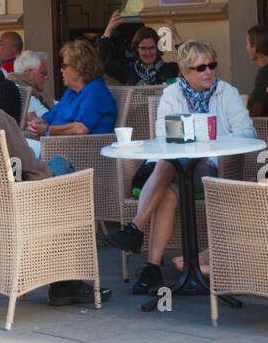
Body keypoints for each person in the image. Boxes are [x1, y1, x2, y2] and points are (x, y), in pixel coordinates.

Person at [0, 53, 107, 307]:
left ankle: (65, 284)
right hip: (10, 211)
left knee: (58, 178)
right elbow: (36, 172)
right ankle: (65, 283)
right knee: (61, 169)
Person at [107, 40, 254, 294]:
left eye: (212, 65)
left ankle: (134, 229)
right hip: (175, 169)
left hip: (210, 169)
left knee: (167, 165)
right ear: (185, 72)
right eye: (200, 68)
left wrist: (211, 143)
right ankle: (153, 269)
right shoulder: (171, 95)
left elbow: (247, 133)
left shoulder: (226, 93)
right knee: (167, 188)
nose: (208, 71)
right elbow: (164, 136)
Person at [25, 39, 116, 141]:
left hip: (82, 152)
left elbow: (81, 128)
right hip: (57, 148)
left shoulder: (95, 92)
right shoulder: (72, 92)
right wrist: (37, 122)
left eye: (64, 66)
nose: (61, 70)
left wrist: (47, 129)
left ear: (79, 68)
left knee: (18, 149)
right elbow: (52, 115)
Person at [95, 10, 180, 86]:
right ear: (136, 49)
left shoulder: (171, 69)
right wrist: (108, 31)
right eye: (143, 48)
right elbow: (101, 64)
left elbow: (188, 65)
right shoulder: (128, 71)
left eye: (152, 48)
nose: (148, 53)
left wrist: (177, 38)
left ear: (158, 48)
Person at [244, 24, 268, 118]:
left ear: (254, 48)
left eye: (248, 44)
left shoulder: (266, 72)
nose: (247, 47)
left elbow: (253, 107)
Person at [10, 50, 52, 121]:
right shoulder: (21, 90)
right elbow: (46, 116)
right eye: (43, 73)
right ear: (29, 73)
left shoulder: (35, 90)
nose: (47, 77)